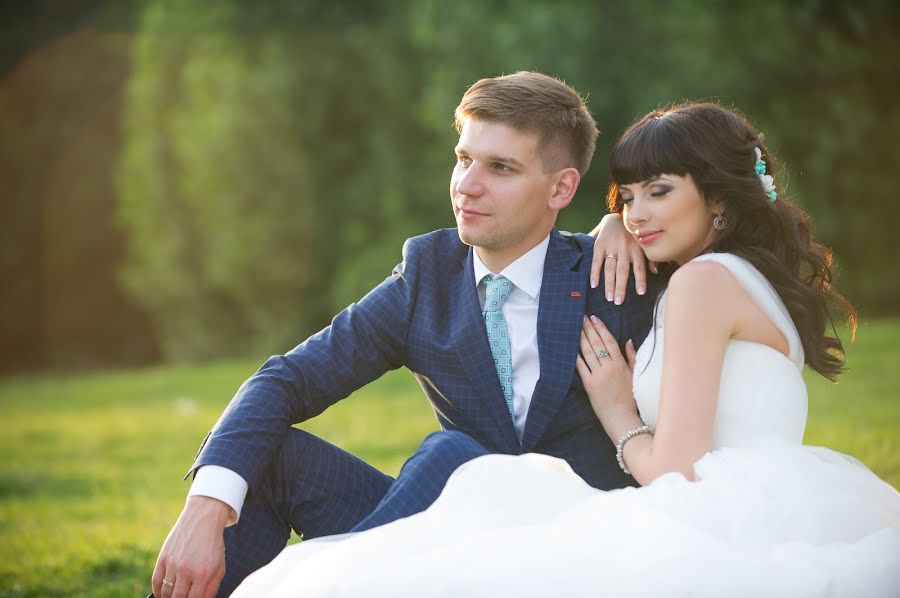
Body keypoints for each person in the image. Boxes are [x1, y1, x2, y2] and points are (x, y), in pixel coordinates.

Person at [231, 102, 900, 597]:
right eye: (629, 196)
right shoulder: (740, 280)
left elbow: (674, 474)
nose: (637, 214)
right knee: (457, 482)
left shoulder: (698, 284)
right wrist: (611, 223)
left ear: (720, 203)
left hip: (696, 517)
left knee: (454, 522)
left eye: (660, 193)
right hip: (773, 502)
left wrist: (618, 411)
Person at [150, 71, 658, 598]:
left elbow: (729, 254)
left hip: (574, 553)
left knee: (451, 455)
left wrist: (623, 219)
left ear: (562, 187)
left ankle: (331, 586)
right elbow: (288, 379)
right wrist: (206, 506)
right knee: (275, 460)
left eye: (500, 167)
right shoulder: (428, 275)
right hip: (450, 546)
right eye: (463, 159)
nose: (467, 185)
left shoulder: (616, 274)